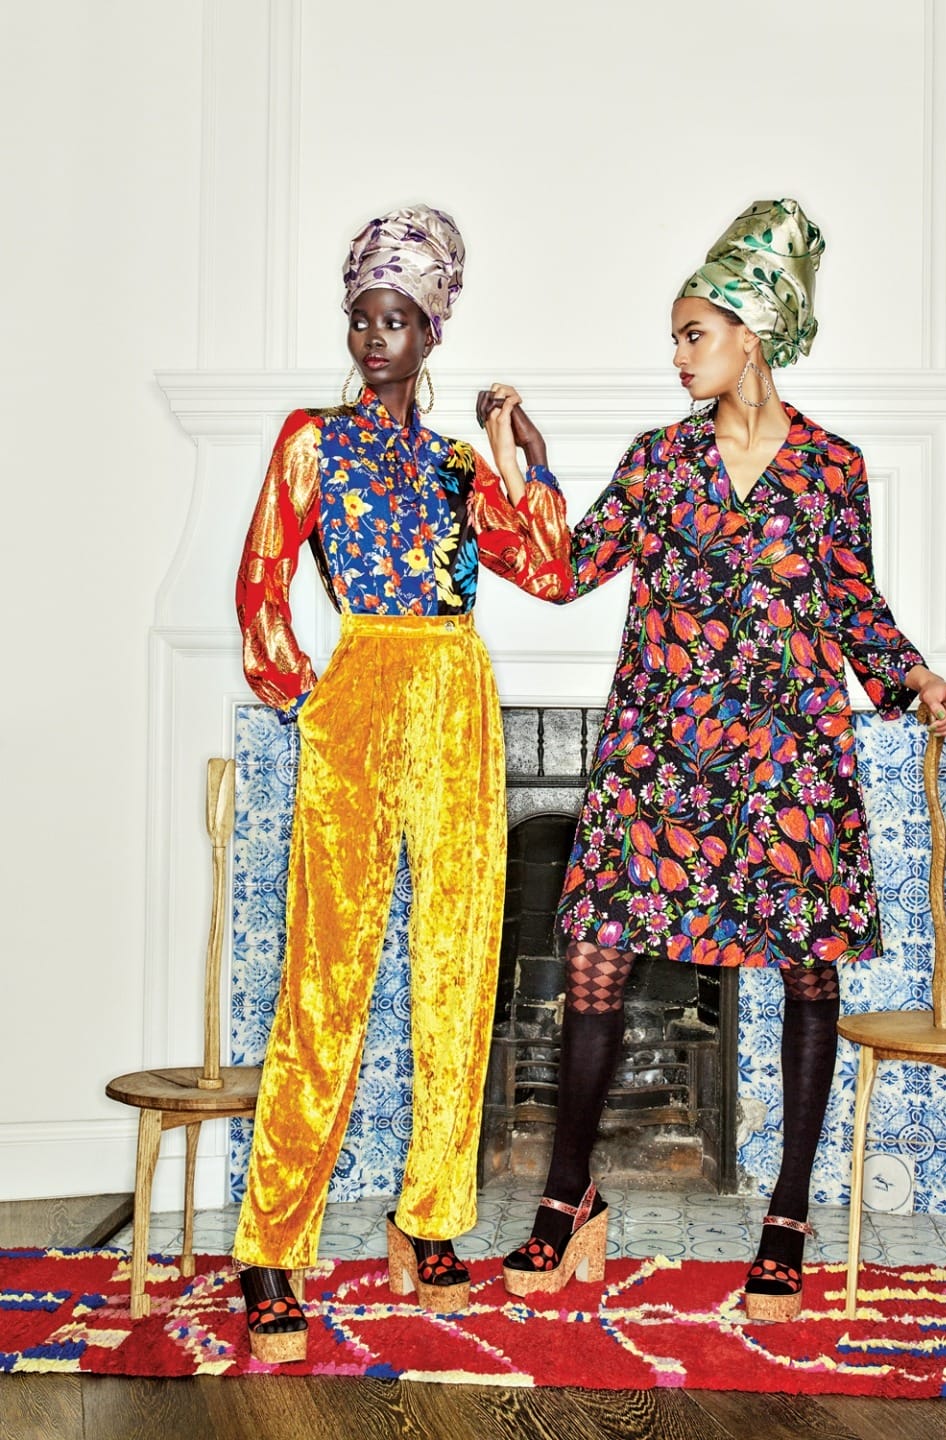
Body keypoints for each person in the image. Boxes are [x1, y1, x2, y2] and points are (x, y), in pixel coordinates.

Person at [493, 198, 946, 1322]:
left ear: (750, 331)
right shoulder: (658, 463)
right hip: (657, 764)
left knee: (809, 971)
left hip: (787, 762)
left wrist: (917, 681)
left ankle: (785, 1220)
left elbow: (854, 608)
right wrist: (527, 469)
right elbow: (565, 571)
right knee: (598, 957)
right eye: (673, 337)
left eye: (691, 334)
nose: (675, 356)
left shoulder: (830, 470)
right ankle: (567, 1200)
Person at [232, 204, 571, 1362]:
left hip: (457, 693)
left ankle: (428, 1221)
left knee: (458, 963)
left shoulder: (455, 463)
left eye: (399, 320)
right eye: (363, 318)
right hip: (363, 683)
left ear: (432, 334)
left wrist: (528, 448)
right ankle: (272, 1244)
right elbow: (262, 588)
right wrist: (305, 697)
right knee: (325, 972)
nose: (376, 337)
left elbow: (553, 568)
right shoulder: (309, 442)